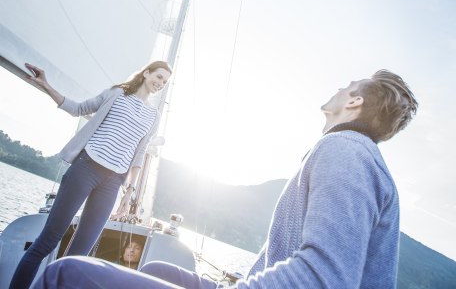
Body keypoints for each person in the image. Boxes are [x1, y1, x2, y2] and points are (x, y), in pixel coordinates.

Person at [32, 69, 418, 289]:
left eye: (348, 86)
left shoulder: (346, 151)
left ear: (354, 103)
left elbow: (325, 278)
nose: (339, 86)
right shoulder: (350, 154)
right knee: (155, 271)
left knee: (66, 272)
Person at [9, 61, 172, 289]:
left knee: (79, 257)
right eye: (159, 76)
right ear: (146, 73)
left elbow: (139, 153)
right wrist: (46, 85)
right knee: (47, 241)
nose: (160, 83)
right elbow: (78, 108)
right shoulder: (117, 94)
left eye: (165, 81)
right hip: (86, 168)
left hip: (113, 182)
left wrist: (129, 191)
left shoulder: (153, 117)